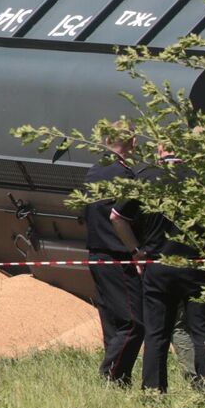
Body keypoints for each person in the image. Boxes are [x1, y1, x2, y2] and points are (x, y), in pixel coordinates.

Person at [123, 145, 205, 392]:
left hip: (158, 266)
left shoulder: (145, 177)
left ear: (160, 149)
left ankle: (154, 390)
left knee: (157, 334)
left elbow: (116, 217)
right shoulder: (200, 176)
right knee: (202, 330)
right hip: (196, 265)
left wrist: (136, 250)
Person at [82, 124, 147, 385]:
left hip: (96, 253)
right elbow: (126, 217)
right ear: (132, 141)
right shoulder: (124, 175)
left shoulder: (93, 171)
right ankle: (112, 375)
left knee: (113, 323)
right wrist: (137, 250)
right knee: (134, 323)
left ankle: (118, 384)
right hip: (118, 255)